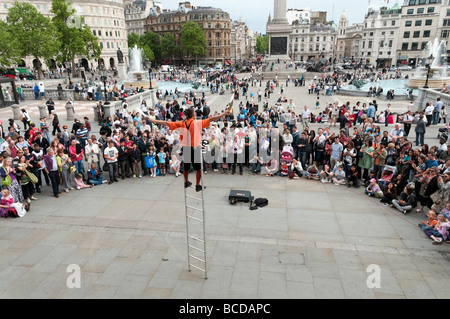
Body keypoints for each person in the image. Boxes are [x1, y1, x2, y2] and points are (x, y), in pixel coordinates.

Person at [148, 107, 229, 192]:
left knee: (186, 167)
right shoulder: (197, 123)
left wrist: (153, 120)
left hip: (186, 148)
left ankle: (186, 182)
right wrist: (223, 114)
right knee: (198, 169)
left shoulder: (182, 123)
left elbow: (166, 123)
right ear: (194, 115)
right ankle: (197, 185)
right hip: (195, 148)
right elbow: (212, 119)